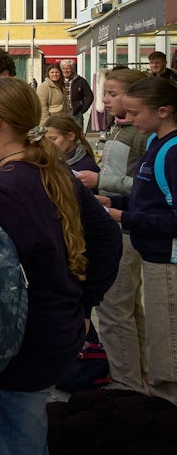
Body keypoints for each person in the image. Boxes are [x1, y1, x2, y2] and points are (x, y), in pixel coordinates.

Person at [0, 77, 121, 451]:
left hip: (18, 351)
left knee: (8, 438)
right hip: (53, 333)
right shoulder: (50, 169)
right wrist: (84, 304)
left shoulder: (1, 190)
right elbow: (107, 238)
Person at [74, 67, 148, 393]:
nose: (106, 100)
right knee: (127, 308)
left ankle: (126, 383)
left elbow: (143, 186)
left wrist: (102, 182)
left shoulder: (141, 135)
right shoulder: (118, 129)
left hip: (125, 228)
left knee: (117, 308)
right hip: (117, 217)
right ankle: (138, 373)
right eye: (105, 93)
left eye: (113, 94)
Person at [104, 76, 177, 404]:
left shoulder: (172, 151)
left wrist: (123, 217)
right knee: (160, 349)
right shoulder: (156, 144)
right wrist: (112, 203)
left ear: (163, 111)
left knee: (168, 360)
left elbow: (170, 219)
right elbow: (150, 200)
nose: (128, 119)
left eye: (135, 113)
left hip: (167, 262)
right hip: (155, 258)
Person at [46, 113, 100, 178]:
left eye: (53, 139)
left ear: (71, 136)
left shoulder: (86, 166)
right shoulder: (52, 162)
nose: (48, 144)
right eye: (46, 140)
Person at [60, 58, 94, 130]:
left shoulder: (80, 81)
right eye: (63, 68)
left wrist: (82, 109)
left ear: (72, 69)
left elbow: (89, 96)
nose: (65, 70)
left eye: (68, 68)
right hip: (60, 112)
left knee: (77, 135)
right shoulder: (58, 81)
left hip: (75, 112)